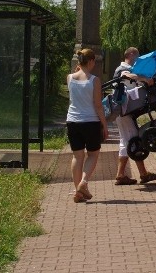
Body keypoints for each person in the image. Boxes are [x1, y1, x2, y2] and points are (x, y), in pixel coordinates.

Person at [112, 47, 156, 186]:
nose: (138, 59)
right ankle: (140, 174)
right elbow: (128, 76)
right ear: (131, 54)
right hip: (124, 111)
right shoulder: (123, 69)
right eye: (137, 55)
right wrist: (145, 79)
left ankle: (124, 175)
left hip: (121, 111)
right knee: (134, 141)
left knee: (127, 141)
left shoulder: (123, 68)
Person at [66, 48, 108, 203]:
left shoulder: (70, 77)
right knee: (93, 154)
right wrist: (104, 125)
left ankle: (78, 192)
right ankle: (83, 182)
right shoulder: (94, 80)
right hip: (90, 122)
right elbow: (98, 105)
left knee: (77, 156)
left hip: (72, 121)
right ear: (90, 61)